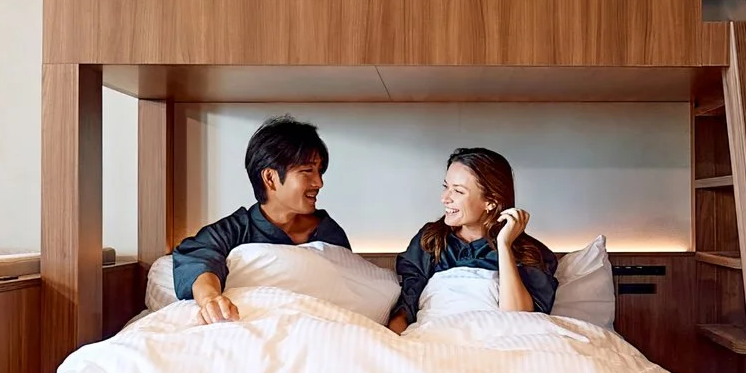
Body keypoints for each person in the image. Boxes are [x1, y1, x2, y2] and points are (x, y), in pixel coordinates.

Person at [169, 116, 351, 324]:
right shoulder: (235, 229)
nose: (319, 182)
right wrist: (211, 298)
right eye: (307, 171)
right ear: (270, 178)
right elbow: (198, 256)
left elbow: (349, 289)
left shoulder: (328, 232)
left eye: (319, 171)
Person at [387, 148, 557, 331]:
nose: (444, 198)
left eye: (458, 191)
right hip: (434, 335)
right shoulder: (431, 240)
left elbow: (519, 319)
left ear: (491, 201)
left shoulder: (529, 252)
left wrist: (505, 245)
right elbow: (406, 306)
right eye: (446, 187)